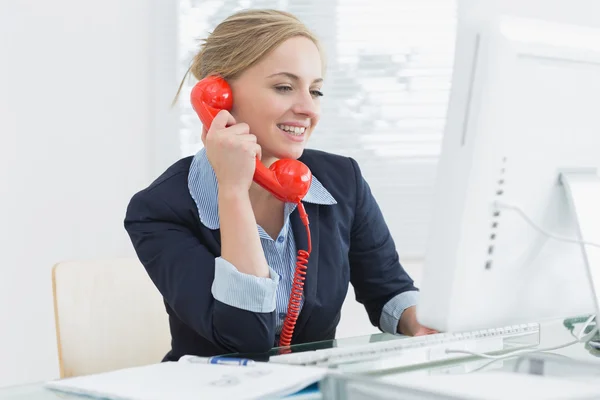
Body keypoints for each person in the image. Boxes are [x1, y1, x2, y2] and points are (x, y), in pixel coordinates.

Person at [124, 8, 435, 362]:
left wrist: (421, 321)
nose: (308, 109)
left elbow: (389, 289)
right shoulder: (159, 209)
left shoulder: (342, 181)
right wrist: (232, 191)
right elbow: (244, 336)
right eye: (284, 87)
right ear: (218, 95)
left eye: (315, 91)